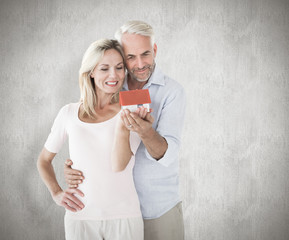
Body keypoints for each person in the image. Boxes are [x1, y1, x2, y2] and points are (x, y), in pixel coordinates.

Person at [64, 21, 186, 240]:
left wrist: (146, 132)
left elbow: (170, 154)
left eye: (145, 54)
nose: (139, 64)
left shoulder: (172, 92)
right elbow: (90, 135)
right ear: (121, 56)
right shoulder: (110, 85)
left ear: (155, 50)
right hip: (113, 213)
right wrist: (74, 168)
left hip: (157, 210)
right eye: (130, 57)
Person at [37, 39, 147, 240]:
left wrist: (124, 122)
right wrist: (56, 192)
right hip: (80, 217)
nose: (114, 75)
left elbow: (120, 164)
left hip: (124, 216)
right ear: (91, 72)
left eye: (119, 68)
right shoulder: (68, 112)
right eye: (104, 68)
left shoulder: (132, 106)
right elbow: (43, 160)